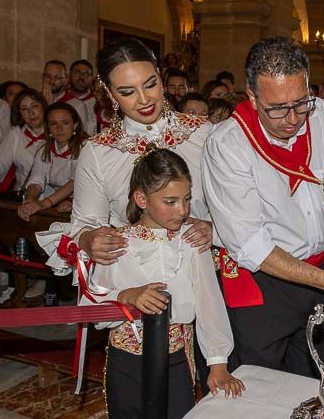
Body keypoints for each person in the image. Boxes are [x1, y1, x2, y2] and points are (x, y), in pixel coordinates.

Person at [201, 36, 324, 376]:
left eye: (301, 102)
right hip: (264, 285)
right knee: (260, 387)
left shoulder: (320, 113)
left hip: (321, 271)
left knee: (316, 379)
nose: (292, 118)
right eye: (277, 108)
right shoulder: (227, 144)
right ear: (252, 96)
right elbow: (250, 243)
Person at [83, 149, 241, 419]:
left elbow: (209, 302)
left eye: (186, 200)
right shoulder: (116, 243)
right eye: (170, 201)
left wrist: (217, 362)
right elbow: (90, 308)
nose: (182, 211)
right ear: (141, 199)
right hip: (127, 358)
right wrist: (126, 295)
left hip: (175, 357)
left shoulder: (191, 241)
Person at [37, 40, 214, 275]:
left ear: (160, 77)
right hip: (135, 279)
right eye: (127, 92)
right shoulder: (99, 151)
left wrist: (214, 228)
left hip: (202, 270)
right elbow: (86, 223)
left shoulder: (203, 133)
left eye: (150, 85)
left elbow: (235, 204)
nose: (144, 99)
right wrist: (89, 240)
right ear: (110, 93)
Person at [19, 103, 85, 220]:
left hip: (84, 202)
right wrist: (29, 202)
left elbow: (75, 182)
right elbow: (36, 180)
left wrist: (45, 203)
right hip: (55, 201)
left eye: (65, 123)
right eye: (53, 124)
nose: (59, 129)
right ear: (48, 127)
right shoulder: (44, 149)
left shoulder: (86, 148)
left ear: (74, 125)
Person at [58, 59, 99, 134]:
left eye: (86, 73)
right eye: (77, 72)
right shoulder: (60, 101)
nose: (81, 77)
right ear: (69, 75)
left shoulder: (99, 100)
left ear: (92, 77)